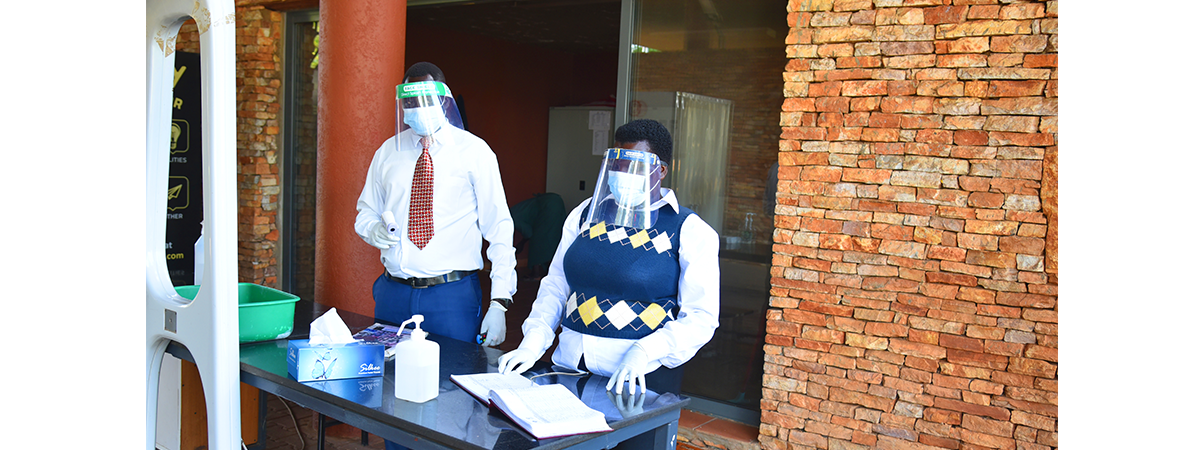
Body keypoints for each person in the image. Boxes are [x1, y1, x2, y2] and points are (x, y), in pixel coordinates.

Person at [498, 119, 720, 447]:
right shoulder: (585, 214)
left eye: (634, 165)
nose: (622, 173)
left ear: (661, 170)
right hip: (571, 373)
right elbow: (556, 285)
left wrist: (644, 351)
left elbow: (701, 318)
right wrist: (533, 342)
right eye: (617, 163)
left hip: (642, 384)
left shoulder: (688, 229)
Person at [354, 62, 516, 350]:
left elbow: (499, 227)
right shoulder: (388, 152)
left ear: (443, 99)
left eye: (425, 100)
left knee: (453, 373)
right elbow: (366, 211)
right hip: (393, 291)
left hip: (451, 295)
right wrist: (372, 229)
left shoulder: (474, 151)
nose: (417, 108)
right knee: (388, 372)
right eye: (410, 102)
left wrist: (500, 301)